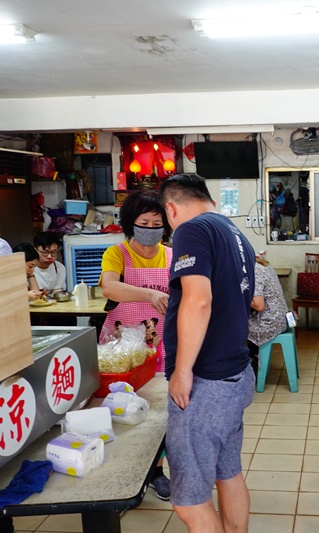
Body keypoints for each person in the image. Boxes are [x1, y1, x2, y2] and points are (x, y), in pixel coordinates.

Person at [160, 173, 256, 532]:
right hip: (234, 375)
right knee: (227, 473)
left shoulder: (192, 229)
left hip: (206, 383)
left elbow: (199, 300)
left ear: (171, 208)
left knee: (189, 502)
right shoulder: (233, 232)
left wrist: (182, 370)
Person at [99, 189, 171, 371]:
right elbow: (109, 287)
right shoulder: (117, 254)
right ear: (131, 224)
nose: (151, 228)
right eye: (144, 223)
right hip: (123, 344)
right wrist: (151, 295)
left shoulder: (173, 255)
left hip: (162, 341)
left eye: (157, 224)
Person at [247, 253, 288, 374]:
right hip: (280, 318)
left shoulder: (255, 272)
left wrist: (241, 294)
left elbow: (259, 306)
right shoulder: (264, 265)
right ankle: (252, 356)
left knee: (232, 327)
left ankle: (247, 366)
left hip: (270, 323)